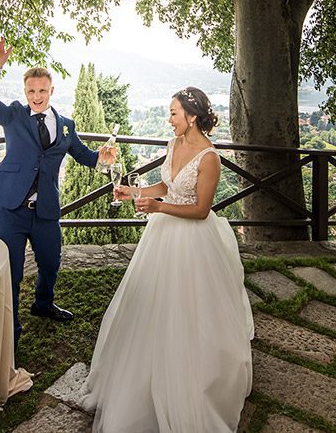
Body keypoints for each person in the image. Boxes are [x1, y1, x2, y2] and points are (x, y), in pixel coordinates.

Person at [82, 86, 253, 432]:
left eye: (174, 113)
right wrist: (134, 192)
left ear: (191, 117)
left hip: (194, 242)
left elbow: (202, 210)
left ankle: (193, 385)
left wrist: (158, 208)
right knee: (149, 308)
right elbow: (165, 187)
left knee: (189, 313)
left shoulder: (210, 158)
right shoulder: (172, 145)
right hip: (161, 238)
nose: (169, 119)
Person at [0, 39, 117, 344]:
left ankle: (43, 304)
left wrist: (101, 158)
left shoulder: (66, 125)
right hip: (12, 210)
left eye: (42, 91)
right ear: (25, 93)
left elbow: (83, 155)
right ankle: (11, 330)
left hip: (45, 211)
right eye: (31, 91)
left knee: (51, 262)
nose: (37, 96)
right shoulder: (13, 115)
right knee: (11, 272)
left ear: (51, 91)